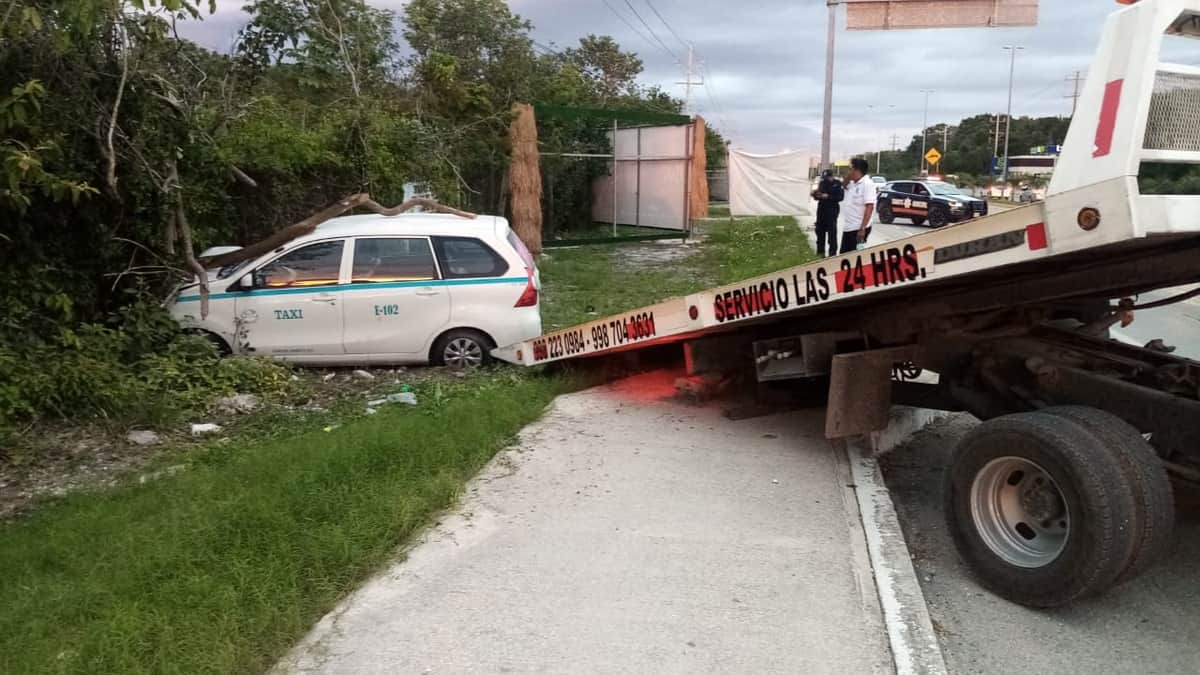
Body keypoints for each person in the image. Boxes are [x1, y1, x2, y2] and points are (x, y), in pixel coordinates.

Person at [840, 157, 877, 254]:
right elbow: (843, 185)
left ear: (857, 170)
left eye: (850, 169)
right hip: (849, 227)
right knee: (843, 257)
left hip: (858, 229)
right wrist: (849, 176)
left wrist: (862, 228)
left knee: (853, 258)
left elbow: (870, 207)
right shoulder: (853, 183)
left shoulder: (867, 184)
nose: (849, 171)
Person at [811, 169, 844, 257]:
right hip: (822, 210)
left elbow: (840, 197)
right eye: (825, 178)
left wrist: (828, 196)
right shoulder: (822, 183)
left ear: (831, 176)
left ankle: (832, 254)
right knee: (820, 232)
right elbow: (817, 195)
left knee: (832, 233)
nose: (826, 180)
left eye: (828, 178)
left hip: (832, 211)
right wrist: (815, 195)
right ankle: (820, 253)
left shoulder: (837, 184)